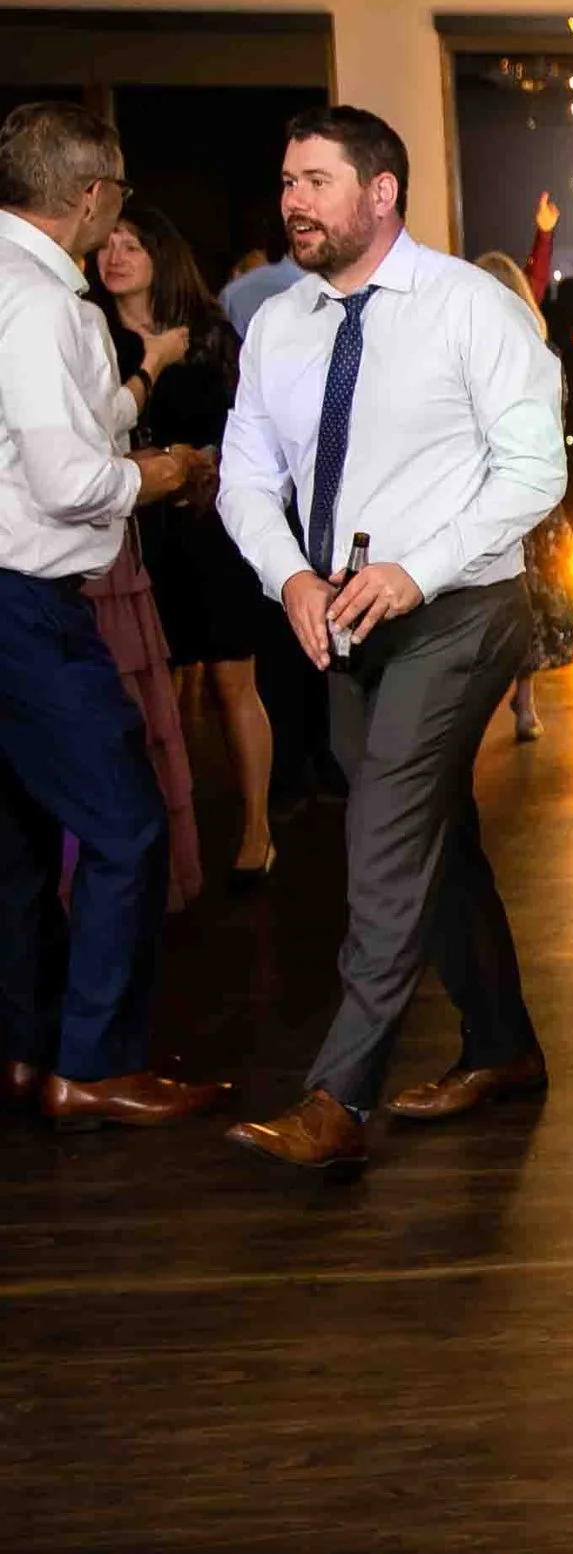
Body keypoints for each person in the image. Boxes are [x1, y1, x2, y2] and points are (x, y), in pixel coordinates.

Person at [218, 105, 566, 1171]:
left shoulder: (470, 309)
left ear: (381, 193)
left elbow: (533, 473)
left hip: (460, 608)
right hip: (340, 616)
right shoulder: (281, 324)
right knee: (430, 832)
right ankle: (503, 1045)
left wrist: (417, 567)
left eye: (316, 180)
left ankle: (338, 1097)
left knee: (380, 830)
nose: (292, 200)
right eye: (287, 180)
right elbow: (243, 477)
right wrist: (288, 577)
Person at [0, 100, 226, 1129]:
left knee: (16, 838)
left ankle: (22, 1050)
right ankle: (94, 1062)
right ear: (90, 195)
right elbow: (63, 477)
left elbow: (53, 427)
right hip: (26, 606)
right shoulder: (43, 304)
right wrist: (160, 473)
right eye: (119, 195)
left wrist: (132, 412)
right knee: (126, 826)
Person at [95, 204, 277, 890]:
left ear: (159, 255)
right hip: (136, 533)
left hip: (212, 525)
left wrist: (203, 461)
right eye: (107, 244)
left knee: (235, 679)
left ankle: (257, 831)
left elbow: (250, 423)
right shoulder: (96, 335)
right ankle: (173, 841)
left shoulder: (207, 332)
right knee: (155, 693)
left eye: (130, 245)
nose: (115, 257)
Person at [474, 247, 573, 745]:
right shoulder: (543, 356)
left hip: (496, 495)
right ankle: (525, 703)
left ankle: (508, 701)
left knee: (503, 599)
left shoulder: (481, 359)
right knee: (527, 600)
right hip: (534, 495)